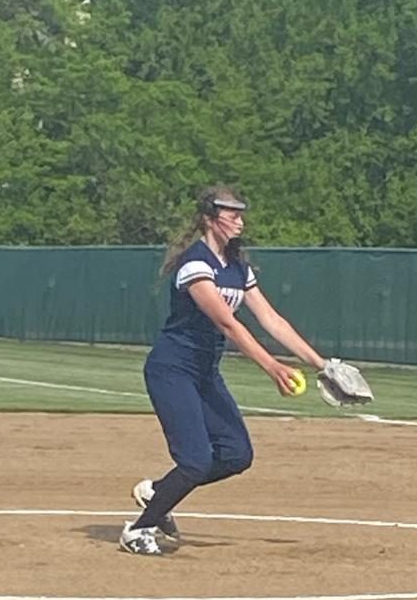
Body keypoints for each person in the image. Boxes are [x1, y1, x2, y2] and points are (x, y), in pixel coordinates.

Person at [120, 185, 328, 556]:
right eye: (232, 214)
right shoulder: (195, 264)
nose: (240, 221)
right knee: (196, 460)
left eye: (240, 214)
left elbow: (272, 319)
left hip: (203, 373)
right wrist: (272, 366)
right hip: (172, 369)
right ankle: (138, 529)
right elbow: (229, 325)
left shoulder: (236, 267)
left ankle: (157, 492)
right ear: (208, 218)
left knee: (235, 454)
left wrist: (323, 365)